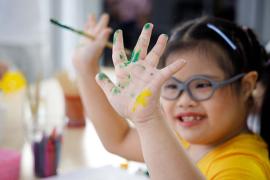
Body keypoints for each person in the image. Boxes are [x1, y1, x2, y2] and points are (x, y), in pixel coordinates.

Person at [73, 14, 270, 179]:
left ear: (246, 87)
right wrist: (86, 67)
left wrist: (150, 119)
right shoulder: (192, 140)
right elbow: (120, 139)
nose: (184, 101)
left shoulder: (242, 165)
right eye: (172, 85)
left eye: (202, 85)